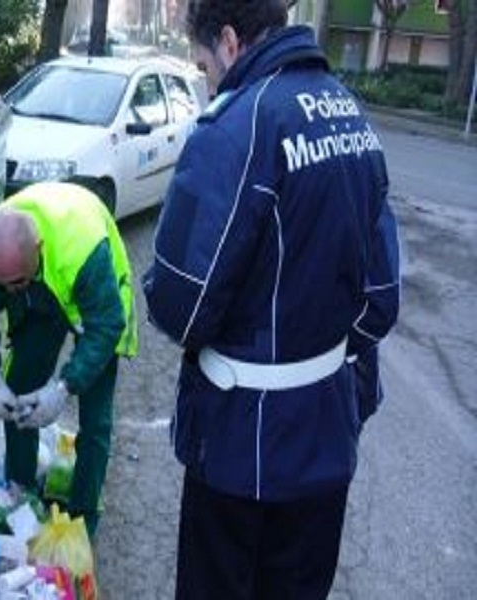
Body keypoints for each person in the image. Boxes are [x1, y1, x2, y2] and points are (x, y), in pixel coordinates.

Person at [142, 1, 400, 598]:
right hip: (327, 437)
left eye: (204, 68)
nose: (208, 83)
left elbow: (183, 301)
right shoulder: (352, 115)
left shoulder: (238, 124)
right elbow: (382, 297)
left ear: (229, 41)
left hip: (239, 449)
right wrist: (315, 353)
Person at [0, 181, 138, 537]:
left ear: (37, 249)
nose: (9, 291)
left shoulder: (85, 251)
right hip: (42, 290)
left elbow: (105, 326)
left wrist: (63, 387)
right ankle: (20, 497)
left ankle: (83, 518)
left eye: (16, 282)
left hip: (96, 303)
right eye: (3, 284)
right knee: (18, 394)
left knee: (96, 419)